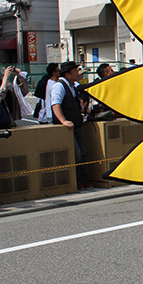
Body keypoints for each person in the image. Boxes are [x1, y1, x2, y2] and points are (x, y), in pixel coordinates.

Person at [51, 61, 90, 189]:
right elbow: (55, 104)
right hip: (67, 128)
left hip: (77, 124)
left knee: (83, 152)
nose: (78, 73)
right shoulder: (59, 86)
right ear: (67, 74)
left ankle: (82, 180)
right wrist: (63, 121)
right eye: (76, 70)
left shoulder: (73, 86)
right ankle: (76, 181)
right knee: (76, 154)